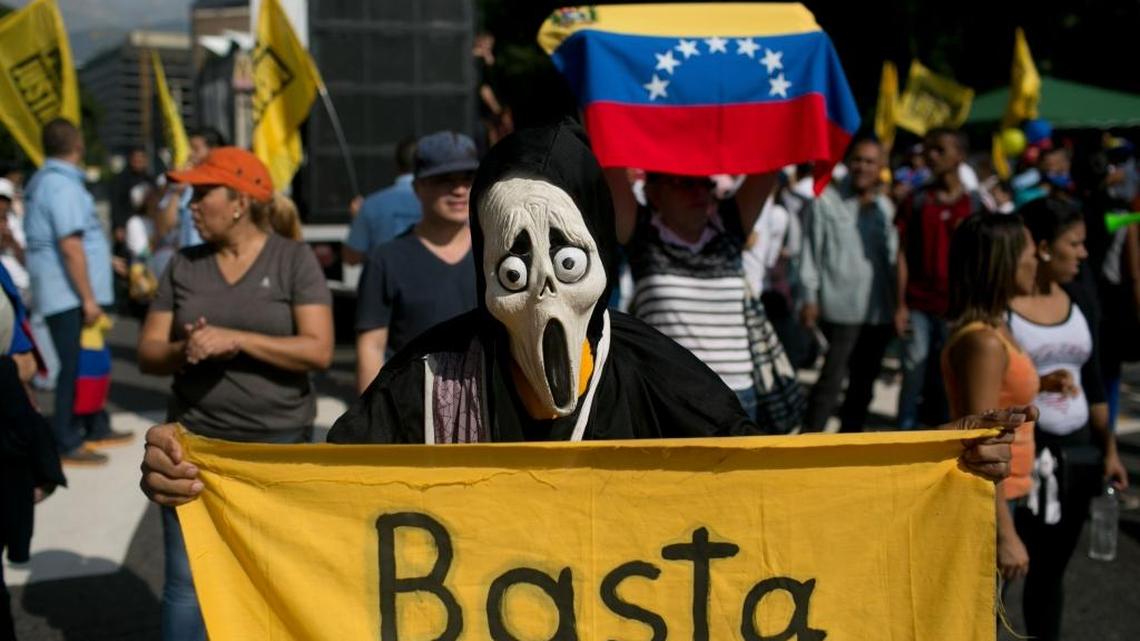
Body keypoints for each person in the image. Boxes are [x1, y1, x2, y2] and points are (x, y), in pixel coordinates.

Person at [140, 122, 1019, 486]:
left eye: (567, 257)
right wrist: (205, 472)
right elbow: (323, 495)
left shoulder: (665, 379)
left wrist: (933, 470)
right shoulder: (429, 380)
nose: (545, 290)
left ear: (602, 250)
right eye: (514, 266)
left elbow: (779, 490)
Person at [136, 146, 333, 641]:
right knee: (186, 584)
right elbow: (148, 353)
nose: (191, 206)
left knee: (270, 575)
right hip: (194, 445)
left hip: (279, 448)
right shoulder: (184, 264)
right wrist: (188, 347)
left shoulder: (293, 259)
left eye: (203, 193)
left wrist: (238, 338)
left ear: (241, 201)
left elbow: (319, 350)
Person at [1008, 197, 1128, 641]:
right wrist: (1039, 385)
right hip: (1024, 458)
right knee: (1004, 568)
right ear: (1041, 247)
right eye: (1073, 244)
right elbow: (995, 388)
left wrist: (1109, 450)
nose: (1083, 253)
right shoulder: (1003, 307)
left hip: (1078, 450)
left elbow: (1094, 382)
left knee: (1050, 571)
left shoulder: (1079, 296)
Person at [941, 213, 1040, 586]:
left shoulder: (997, 328)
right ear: (1003, 261)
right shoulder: (982, 342)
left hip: (1009, 495)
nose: (1038, 261)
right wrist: (1004, 535)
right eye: (1029, 252)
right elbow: (983, 445)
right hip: (990, 504)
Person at [24, 118, 130, 466]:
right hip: (69, 294)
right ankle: (66, 440)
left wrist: (105, 262)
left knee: (89, 364)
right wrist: (87, 297)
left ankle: (93, 424)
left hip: (68, 292)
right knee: (72, 367)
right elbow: (70, 245)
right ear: (78, 144)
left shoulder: (52, 182)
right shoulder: (62, 186)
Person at [354, 132, 479, 393]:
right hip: (413, 417)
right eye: (445, 180)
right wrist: (370, 424)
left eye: (468, 179)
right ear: (418, 187)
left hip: (487, 415)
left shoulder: (495, 253)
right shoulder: (385, 260)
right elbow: (371, 347)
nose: (459, 190)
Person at [800, 138, 897, 432]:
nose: (863, 167)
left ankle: (850, 443)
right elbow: (810, 254)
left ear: (881, 168)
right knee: (830, 380)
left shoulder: (884, 208)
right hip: (839, 308)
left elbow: (893, 260)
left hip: (877, 310)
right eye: (858, 160)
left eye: (870, 161)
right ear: (847, 162)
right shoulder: (826, 201)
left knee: (864, 383)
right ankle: (809, 442)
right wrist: (809, 298)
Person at [896, 127, 983, 429]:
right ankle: (903, 438)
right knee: (913, 375)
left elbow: (981, 259)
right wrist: (900, 305)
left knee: (952, 378)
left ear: (959, 155)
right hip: (919, 304)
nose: (930, 156)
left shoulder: (974, 204)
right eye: (928, 150)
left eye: (940, 150)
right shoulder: (917, 201)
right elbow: (903, 254)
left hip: (956, 309)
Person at [343, 137, 421, 265]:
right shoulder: (440, 204)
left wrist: (357, 220)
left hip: (384, 282)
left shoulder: (370, 205)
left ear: (396, 164)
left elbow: (351, 258)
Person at [155, 127, 227, 256]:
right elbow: (164, 228)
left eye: (196, 149)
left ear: (214, 150)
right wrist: (176, 193)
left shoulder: (228, 186)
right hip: (190, 261)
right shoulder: (184, 184)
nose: (190, 155)